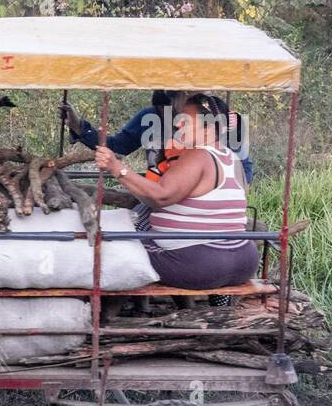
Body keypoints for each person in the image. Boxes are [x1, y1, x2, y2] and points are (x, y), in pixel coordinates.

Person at [95, 92, 258, 290]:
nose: (178, 125)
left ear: (208, 127)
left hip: (201, 264)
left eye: (185, 121)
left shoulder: (198, 155)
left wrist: (116, 167)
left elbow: (161, 195)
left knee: (115, 247)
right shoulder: (231, 157)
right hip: (243, 260)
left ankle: (111, 313)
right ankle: (220, 305)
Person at [65, 90, 254, 184]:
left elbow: (245, 171)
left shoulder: (227, 121)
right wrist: (80, 127)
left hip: (206, 205)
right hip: (159, 198)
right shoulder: (152, 116)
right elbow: (118, 146)